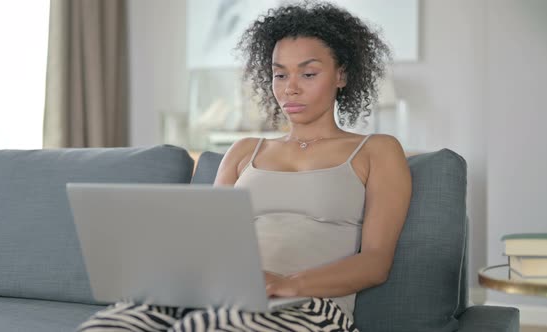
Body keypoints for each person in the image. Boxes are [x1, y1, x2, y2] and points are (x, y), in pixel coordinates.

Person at [78, 1, 411, 331]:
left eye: (308, 73)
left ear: (342, 75)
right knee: (114, 323)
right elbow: (209, 242)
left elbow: (375, 262)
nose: (290, 87)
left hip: (310, 306)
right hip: (220, 295)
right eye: (279, 74)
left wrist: (287, 283)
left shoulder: (377, 151)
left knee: (205, 326)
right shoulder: (243, 151)